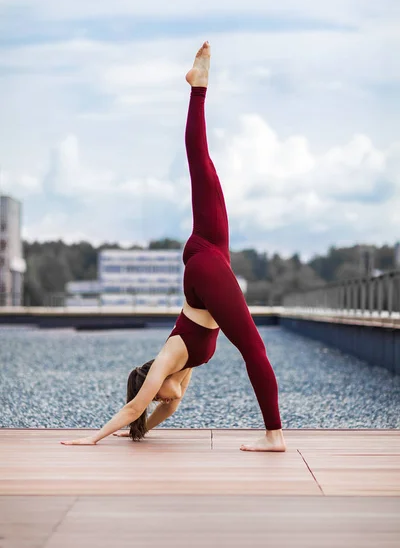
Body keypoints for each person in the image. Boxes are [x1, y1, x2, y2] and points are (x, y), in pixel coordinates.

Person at [62, 42, 286, 452]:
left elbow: (134, 409)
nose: (166, 398)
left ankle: (274, 435)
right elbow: (160, 412)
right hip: (206, 263)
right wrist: (144, 430)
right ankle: (198, 86)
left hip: (203, 269)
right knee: (204, 169)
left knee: (254, 347)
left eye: (156, 393)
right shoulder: (180, 375)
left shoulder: (169, 359)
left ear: (153, 379)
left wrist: (90, 439)